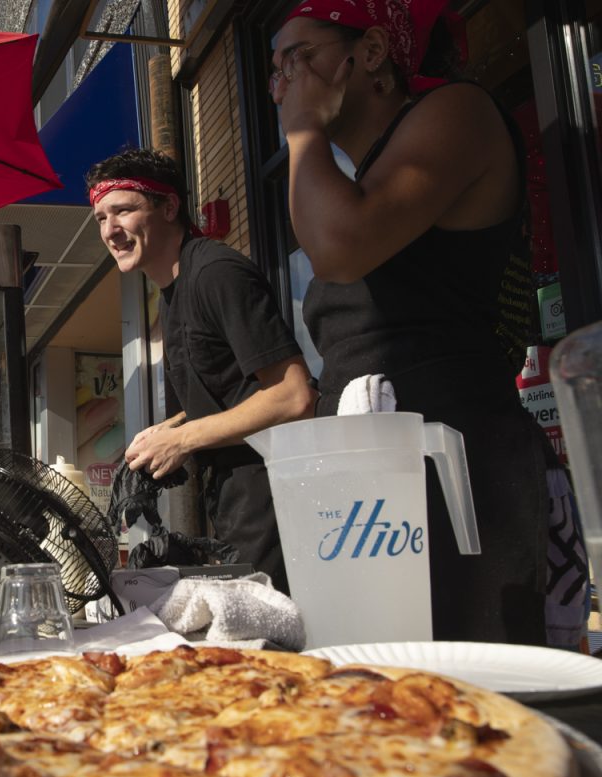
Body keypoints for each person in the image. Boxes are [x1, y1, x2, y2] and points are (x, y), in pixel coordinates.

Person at [271, 0, 586, 646]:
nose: (283, 87)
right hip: (372, 485)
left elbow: (340, 243)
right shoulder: (362, 175)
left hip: (460, 479)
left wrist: (303, 130)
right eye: (275, 74)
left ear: (375, 52)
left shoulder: (457, 113)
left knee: (469, 710)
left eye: (297, 59)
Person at [87, 148, 317, 590]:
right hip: (234, 497)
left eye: (123, 212)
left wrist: (183, 439)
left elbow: (295, 395)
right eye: (100, 218)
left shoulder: (217, 273)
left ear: (169, 206)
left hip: (280, 495)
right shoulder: (172, 292)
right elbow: (228, 394)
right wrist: (162, 432)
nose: (110, 230)